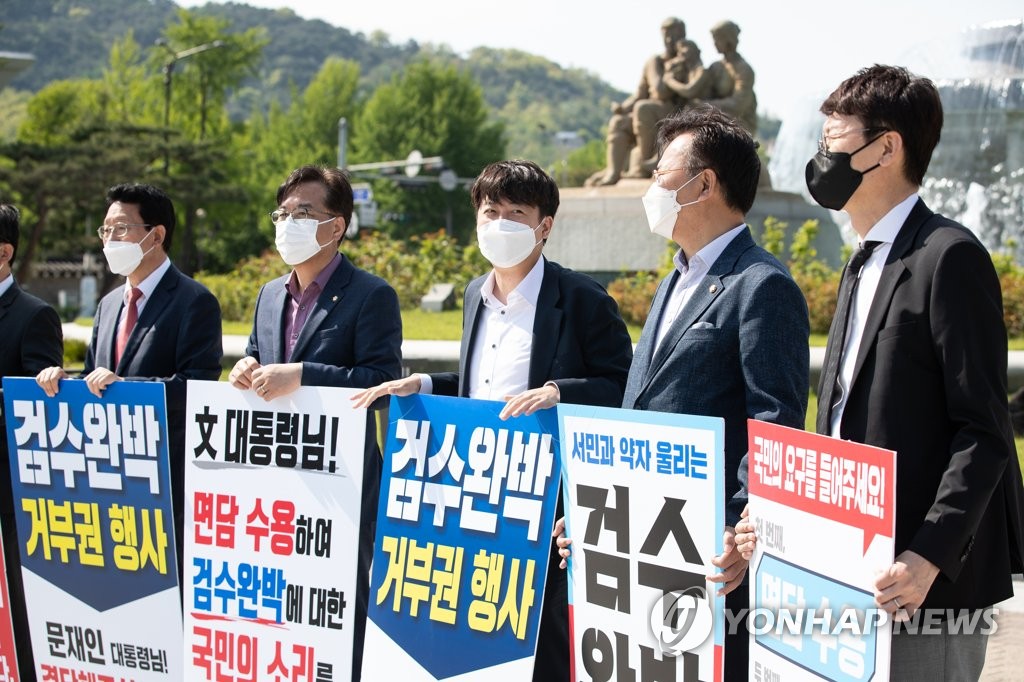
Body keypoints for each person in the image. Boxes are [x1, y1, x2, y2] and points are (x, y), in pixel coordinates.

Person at [352, 159, 633, 682]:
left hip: (545, 503)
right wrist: (427, 385)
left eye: (516, 212)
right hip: (475, 494)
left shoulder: (582, 300)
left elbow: (622, 387)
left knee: (544, 638)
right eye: (490, 211)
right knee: (475, 625)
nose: (500, 223)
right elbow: (483, 383)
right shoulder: (473, 295)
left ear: (544, 226)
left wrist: (556, 392)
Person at [564, 105, 809, 682]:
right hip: (640, 543)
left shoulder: (761, 286)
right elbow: (636, 409)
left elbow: (774, 424)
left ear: (704, 184)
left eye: (661, 172)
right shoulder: (675, 278)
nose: (651, 185)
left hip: (706, 554)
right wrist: (593, 509)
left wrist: (736, 527)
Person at [800, 64, 1023, 680]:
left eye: (835, 140)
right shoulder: (861, 262)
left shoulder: (949, 257)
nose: (822, 157)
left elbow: (983, 429)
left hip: (928, 586)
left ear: (886, 147)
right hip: (854, 569)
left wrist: (929, 554)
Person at [228, 164, 402, 682]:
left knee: (339, 602)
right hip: (277, 484)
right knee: (285, 604)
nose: (288, 223)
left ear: (337, 225)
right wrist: (243, 369)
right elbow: (257, 357)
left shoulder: (371, 295)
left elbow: (379, 379)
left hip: (342, 485)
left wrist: (304, 375)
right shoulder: (268, 295)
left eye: (303, 213)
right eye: (283, 213)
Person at [35, 183, 223, 579]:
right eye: (106, 230)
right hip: (108, 482)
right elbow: (94, 377)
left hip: (164, 482)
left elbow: (199, 386)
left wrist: (127, 390)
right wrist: (61, 380)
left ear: (157, 235)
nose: (110, 239)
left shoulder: (195, 301)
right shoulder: (108, 305)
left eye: (121, 228)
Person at [1, 203, 64, 680]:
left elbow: (41, 409)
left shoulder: (33, 315)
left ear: (4, 252)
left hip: (11, 493)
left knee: (15, 607)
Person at [585, 18, 687, 186]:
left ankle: (645, 165)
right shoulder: (653, 62)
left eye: (673, 34)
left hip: (674, 111)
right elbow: (640, 93)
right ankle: (613, 172)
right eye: (666, 34)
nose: (669, 39)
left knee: (643, 109)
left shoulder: (687, 59)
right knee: (619, 121)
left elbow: (690, 89)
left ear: (682, 35)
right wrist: (623, 107)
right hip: (650, 108)